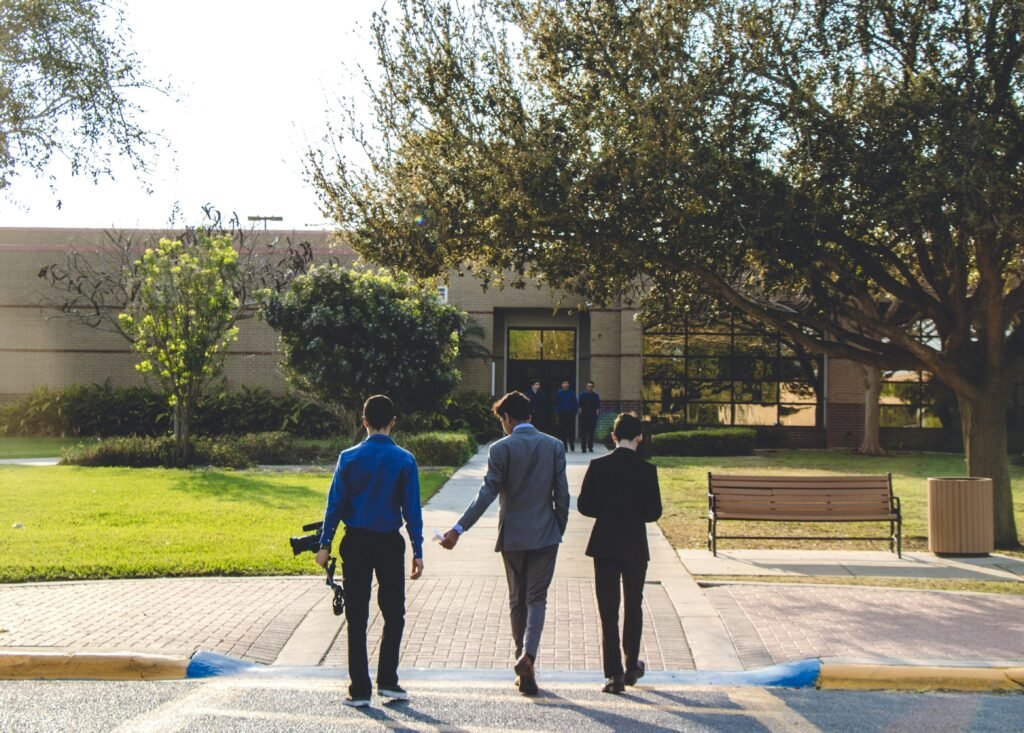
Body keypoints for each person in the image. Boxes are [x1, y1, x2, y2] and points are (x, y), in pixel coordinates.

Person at [440, 391, 570, 696]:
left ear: (508, 418)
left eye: (502, 419)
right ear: (530, 416)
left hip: (513, 536)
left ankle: (520, 659)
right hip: (545, 535)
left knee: (516, 599)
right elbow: (562, 496)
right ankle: (529, 657)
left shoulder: (500, 449)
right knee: (536, 599)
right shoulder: (554, 446)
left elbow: (486, 493)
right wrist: (557, 528)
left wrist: (459, 528)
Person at [316, 395, 424, 708]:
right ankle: (388, 680)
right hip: (390, 542)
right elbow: (412, 510)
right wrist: (417, 550)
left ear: (364, 421)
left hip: (357, 541)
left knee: (357, 615)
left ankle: (359, 688)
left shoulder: (348, 458)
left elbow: (334, 505)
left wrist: (325, 544)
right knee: (394, 613)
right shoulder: (405, 460)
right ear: (393, 421)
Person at [577, 412, 662, 694]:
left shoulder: (598, 466)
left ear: (613, 437)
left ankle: (613, 673)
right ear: (640, 436)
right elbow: (654, 513)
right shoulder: (647, 470)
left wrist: (607, 510)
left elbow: (585, 506)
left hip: (605, 542)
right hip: (635, 544)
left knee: (608, 609)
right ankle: (630, 665)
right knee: (633, 605)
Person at [578, 381, 601, 452]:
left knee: (591, 432)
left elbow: (597, 406)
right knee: (583, 432)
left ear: (593, 387)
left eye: (591, 386)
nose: (589, 388)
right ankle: (583, 447)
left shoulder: (596, 395)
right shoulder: (582, 395)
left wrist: (597, 414)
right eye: (588, 386)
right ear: (586, 387)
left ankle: (590, 447)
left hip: (592, 416)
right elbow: (580, 405)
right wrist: (580, 413)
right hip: (584, 416)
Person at [555, 379, 578, 451]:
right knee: (563, 430)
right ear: (562, 385)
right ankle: (565, 446)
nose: (566, 384)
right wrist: (557, 412)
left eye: (567, 383)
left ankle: (571, 444)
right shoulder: (559, 393)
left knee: (571, 430)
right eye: (564, 383)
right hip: (562, 414)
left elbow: (575, 403)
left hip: (570, 414)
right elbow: (557, 403)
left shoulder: (571, 392)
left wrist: (574, 410)